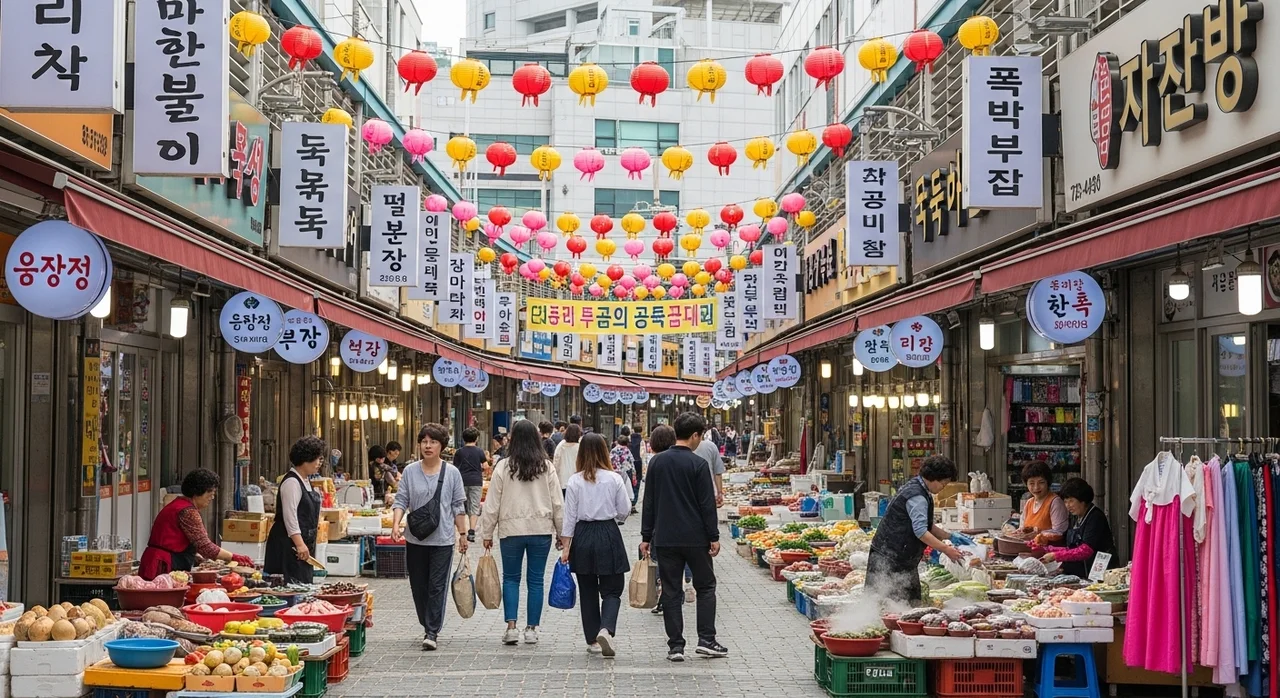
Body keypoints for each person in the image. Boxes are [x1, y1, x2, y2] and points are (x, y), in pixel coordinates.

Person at [640, 413, 726, 662]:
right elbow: (706, 505)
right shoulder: (698, 464)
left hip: (665, 538)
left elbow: (649, 503)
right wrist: (714, 536)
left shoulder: (657, 463)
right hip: (696, 538)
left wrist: (646, 536)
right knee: (706, 586)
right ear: (696, 435)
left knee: (670, 590)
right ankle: (707, 640)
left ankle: (675, 647)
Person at [478, 420, 564, 646]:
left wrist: (487, 532)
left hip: (511, 530)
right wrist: (562, 533)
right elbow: (557, 503)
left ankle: (511, 627)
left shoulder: (504, 466)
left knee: (511, 579)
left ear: (512, 439)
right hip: (541, 529)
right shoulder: (546, 467)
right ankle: (532, 629)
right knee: (536, 580)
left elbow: (492, 503)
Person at [391, 423, 469, 651]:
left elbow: (458, 506)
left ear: (441, 446)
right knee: (418, 586)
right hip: (415, 539)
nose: (428, 446)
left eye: (433, 442)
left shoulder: (452, 473)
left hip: (443, 540)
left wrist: (463, 534)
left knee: (437, 586)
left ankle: (432, 630)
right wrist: (396, 524)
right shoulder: (410, 471)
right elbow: (401, 500)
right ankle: (427, 622)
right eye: (424, 441)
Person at [864, 455, 970, 603]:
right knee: (888, 604)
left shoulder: (917, 487)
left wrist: (949, 536)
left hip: (899, 555)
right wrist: (946, 549)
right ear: (934, 478)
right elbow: (921, 531)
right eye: (943, 484)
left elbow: (926, 525)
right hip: (891, 557)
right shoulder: (917, 496)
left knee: (906, 603)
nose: (943, 488)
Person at [562, 433, 631, 656]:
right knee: (612, 589)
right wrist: (617, 518)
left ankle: (592, 639)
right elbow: (624, 509)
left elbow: (569, 516)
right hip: (608, 532)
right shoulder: (614, 478)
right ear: (604, 451)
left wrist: (566, 546)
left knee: (588, 590)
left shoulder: (574, 480)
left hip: (582, 534)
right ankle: (606, 628)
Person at [140, 469, 254, 579]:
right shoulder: (188, 512)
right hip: (163, 564)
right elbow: (205, 546)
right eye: (210, 493)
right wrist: (234, 557)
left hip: (159, 560)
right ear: (197, 492)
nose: (212, 497)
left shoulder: (179, 505)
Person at [264, 436, 326, 584]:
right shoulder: (292, 482)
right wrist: (299, 543)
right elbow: (290, 516)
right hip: (288, 545)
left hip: (303, 545)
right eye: (316, 459)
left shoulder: (305, 481)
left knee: (303, 584)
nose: (319, 463)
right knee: (290, 585)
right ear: (305, 459)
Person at [1036, 477, 1117, 579]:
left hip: (1099, 573)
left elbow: (1085, 551)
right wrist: (1047, 549)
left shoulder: (1095, 517)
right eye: (1065, 502)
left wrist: (1056, 556)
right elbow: (1072, 548)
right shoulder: (1077, 517)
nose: (1068, 506)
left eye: (1071, 501)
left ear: (1082, 500)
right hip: (1081, 573)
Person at [1020, 462, 1068, 544]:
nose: (1036, 487)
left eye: (1041, 482)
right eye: (1031, 483)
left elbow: (1059, 532)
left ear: (1048, 482)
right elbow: (1022, 529)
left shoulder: (1055, 502)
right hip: (1030, 549)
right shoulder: (1029, 503)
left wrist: (1039, 533)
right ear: (1026, 484)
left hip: (1049, 552)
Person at [453, 427, 487, 543]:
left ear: (463, 439)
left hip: (461, 481)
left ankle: (462, 530)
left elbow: (454, 469)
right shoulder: (479, 451)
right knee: (474, 506)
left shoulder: (459, 452)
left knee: (461, 505)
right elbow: (486, 466)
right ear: (476, 438)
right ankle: (471, 531)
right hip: (476, 481)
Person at [692, 430, 726, 507]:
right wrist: (719, 493)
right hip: (708, 494)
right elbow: (718, 473)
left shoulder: (679, 449)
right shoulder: (711, 446)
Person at [554, 424, 582, 497]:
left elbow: (556, 462)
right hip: (577, 481)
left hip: (563, 481)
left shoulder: (561, 445)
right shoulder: (580, 446)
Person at [611, 434, 637, 510]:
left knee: (616, 489)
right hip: (625, 472)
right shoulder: (627, 451)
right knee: (625, 488)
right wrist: (634, 474)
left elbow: (610, 460)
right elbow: (631, 462)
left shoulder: (614, 450)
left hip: (615, 472)